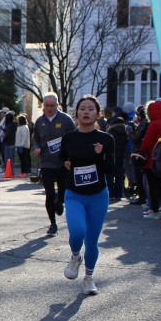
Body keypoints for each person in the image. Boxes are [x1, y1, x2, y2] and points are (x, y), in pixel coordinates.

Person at [59, 95, 116, 296]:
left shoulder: (106, 139)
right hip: (74, 194)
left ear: (98, 114)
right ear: (76, 113)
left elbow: (111, 169)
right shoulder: (69, 138)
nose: (86, 112)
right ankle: (75, 256)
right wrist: (65, 164)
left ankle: (89, 279)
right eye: (82, 108)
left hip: (98, 195)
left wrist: (101, 155)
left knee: (92, 240)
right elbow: (61, 161)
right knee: (77, 232)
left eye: (91, 109)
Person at [32, 92, 76, 236]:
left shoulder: (66, 120)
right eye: (47, 106)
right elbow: (36, 138)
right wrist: (37, 147)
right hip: (46, 163)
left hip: (63, 163)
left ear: (57, 105)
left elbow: (75, 136)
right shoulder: (40, 121)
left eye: (52, 106)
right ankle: (53, 224)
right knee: (49, 193)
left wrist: (71, 154)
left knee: (62, 192)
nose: (49, 109)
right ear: (43, 106)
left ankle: (60, 201)